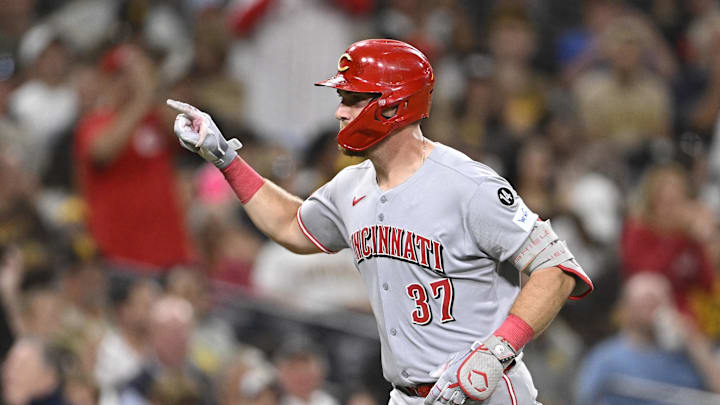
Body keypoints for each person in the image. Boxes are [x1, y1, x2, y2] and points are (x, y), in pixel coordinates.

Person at [168, 39, 594, 404]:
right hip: (406, 393)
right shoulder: (351, 186)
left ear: (393, 106)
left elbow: (556, 270)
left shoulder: (467, 184)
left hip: (484, 393)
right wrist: (225, 158)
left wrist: (499, 349)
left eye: (352, 99)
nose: (339, 111)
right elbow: (291, 226)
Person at [575, 272, 720, 405]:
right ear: (627, 309)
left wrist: (694, 343)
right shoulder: (606, 359)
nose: (655, 310)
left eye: (661, 302)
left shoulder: (688, 349)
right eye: (647, 303)